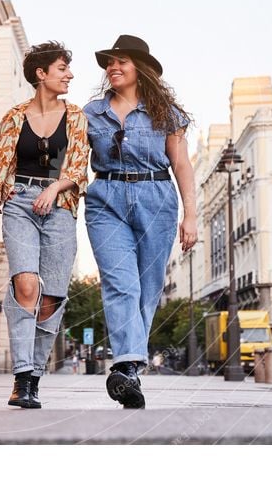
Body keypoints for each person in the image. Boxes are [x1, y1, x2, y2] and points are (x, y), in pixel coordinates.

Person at [84, 34, 197, 409]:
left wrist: (191, 215)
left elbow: (181, 165)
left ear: (139, 68)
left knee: (148, 289)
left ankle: (129, 371)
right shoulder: (90, 114)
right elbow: (67, 161)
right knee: (122, 285)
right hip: (106, 200)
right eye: (109, 63)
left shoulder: (166, 113)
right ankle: (127, 365)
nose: (113, 67)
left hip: (157, 199)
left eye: (121, 61)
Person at [0, 41, 89, 409]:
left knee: (50, 298)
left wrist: (55, 188)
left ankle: (35, 376)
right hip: (20, 204)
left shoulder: (76, 117)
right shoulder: (13, 116)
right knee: (25, 284)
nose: (69, 75)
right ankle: (22, 377)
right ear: (41, 74)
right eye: (62, 68)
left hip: (59, 207)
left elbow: (77, 168)